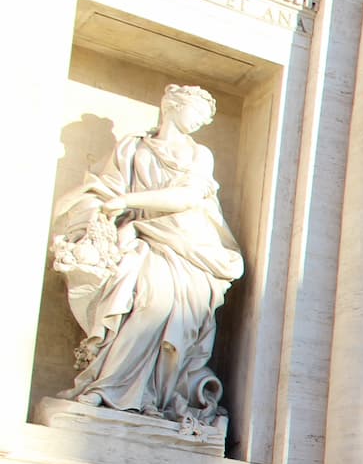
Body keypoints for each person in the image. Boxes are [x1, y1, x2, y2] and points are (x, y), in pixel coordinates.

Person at [49, 83, 244, 425]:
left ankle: (138, 393)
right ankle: (111, 387)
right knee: (133, 292)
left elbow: (185, 198)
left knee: (161, 303)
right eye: (197, 111)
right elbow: (110, 186)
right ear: (172, 105)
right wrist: (100, 208)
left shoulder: (200, 154)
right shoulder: (132, 146)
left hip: (186, 241)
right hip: (143, 235)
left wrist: (126, 203)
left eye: (206, 117)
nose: (201, 121)